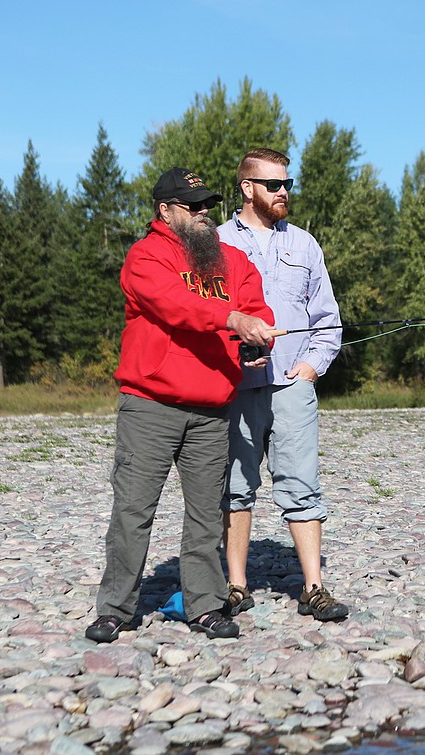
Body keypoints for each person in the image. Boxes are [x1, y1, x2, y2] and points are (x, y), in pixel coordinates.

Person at [85, 167, 275, 643]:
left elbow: (256, 306)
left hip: (212, 409)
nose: (203, 212)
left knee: (207, 513)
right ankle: (115, 608)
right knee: (133, 510)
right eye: (192, 206)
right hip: (150, 405)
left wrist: (257, 342)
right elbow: (175, 306)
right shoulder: (145, 257)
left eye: (207, 204)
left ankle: (206, 606)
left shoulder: (234, 260)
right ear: (164, 211)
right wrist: (231, 317)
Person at [217, 148, 349, 622]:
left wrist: (312, 367)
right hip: (235, 388)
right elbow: (204, 318)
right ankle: (235, 586)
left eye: (287, 184)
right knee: (234, 487)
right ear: (247, 189)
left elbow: (327, 320)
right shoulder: (213, 245)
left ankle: (313, 587)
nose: (284, 192)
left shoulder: (305, 245)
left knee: (302, 486)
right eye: (274, 185)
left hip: (293, 386)